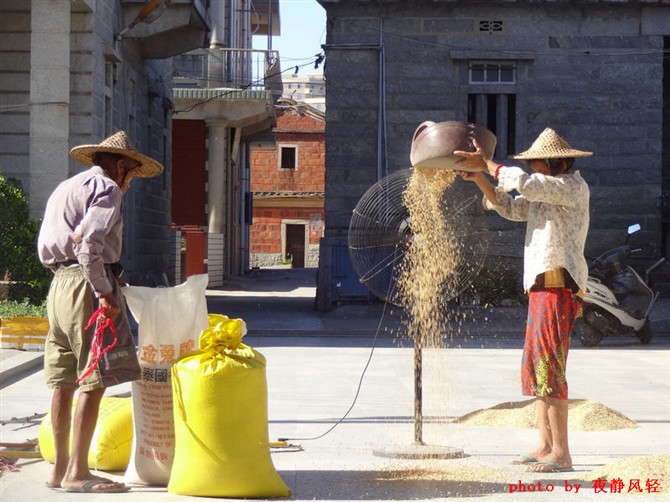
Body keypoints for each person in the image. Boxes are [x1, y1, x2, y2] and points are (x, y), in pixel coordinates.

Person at [454, 127, 592, 473]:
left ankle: (561, 452)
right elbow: (512, 208)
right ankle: (545, 445)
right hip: (542, 288)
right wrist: (480, 179)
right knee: (535, 368)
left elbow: (525, 184)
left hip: (559, 287)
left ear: (551, 163)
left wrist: (487, 163)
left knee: (549, 369)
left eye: (536, 163)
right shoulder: (548, 192)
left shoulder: (571, 187)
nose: (533, 169)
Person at [37, 131, 163, 493]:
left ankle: (59, 470)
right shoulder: (106, 188)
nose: (128, 184)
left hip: (59, 285)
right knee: (94, 379)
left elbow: (55, 242)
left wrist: (102, 276)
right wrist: (103, 289)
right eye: (130, 175)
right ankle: (78, 473)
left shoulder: (67, 187)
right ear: (121, 166)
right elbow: (87, 241)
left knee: (63, 382)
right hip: (85, 285)